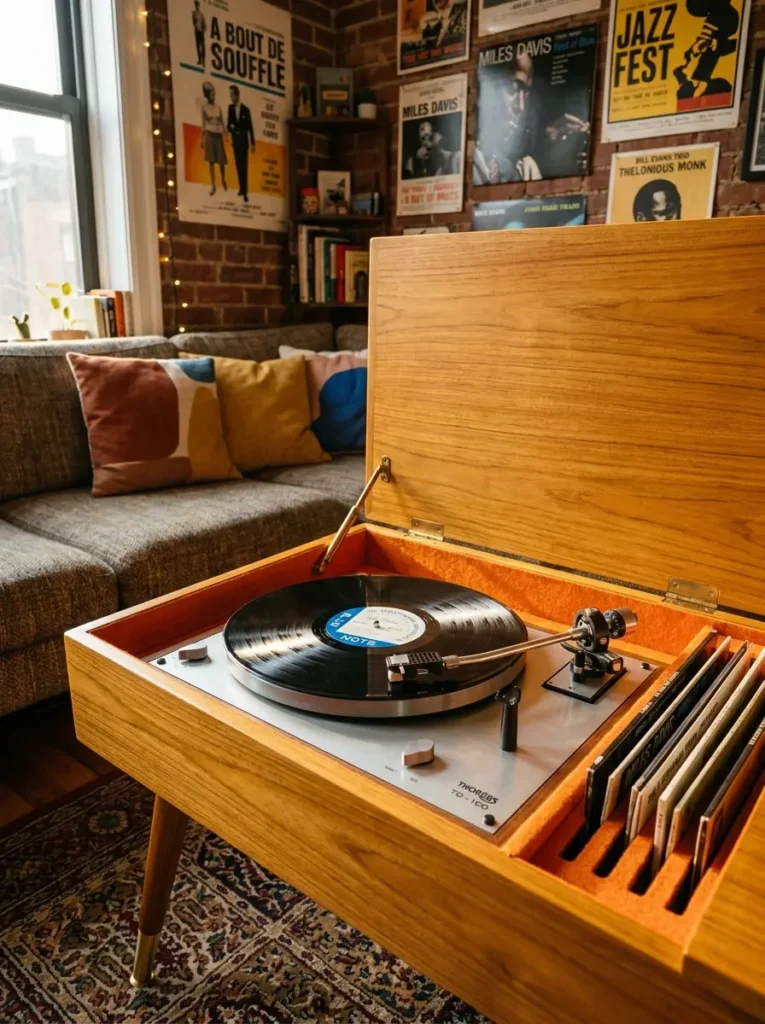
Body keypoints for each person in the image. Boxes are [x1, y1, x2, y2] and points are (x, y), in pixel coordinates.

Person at [227, 85, 255, 203]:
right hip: (236, 142)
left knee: (244, 167)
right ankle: (241, 188)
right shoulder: (230, 108)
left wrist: (253, 143)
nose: (231, 97)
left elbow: (250, 127)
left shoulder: (246, 110)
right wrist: (231, 128)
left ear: (236, 95)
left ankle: (245, 192)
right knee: (238, 166)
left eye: (232, 95)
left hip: (244, 142)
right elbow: (229, 124)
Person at [201, 81, 227, 196]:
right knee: (211, 162)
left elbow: (223, 122)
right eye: (211, 93)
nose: (213, 95)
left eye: (214, 93)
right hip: (210, 134)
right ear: (207, 94)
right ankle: (213, 185)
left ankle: (223, 180)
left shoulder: (218, 107)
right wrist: (202, 139)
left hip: (218, 134)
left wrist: (226, 133)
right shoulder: (204, 107)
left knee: (221, 161)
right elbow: (203, 124)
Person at [192, 0, 206, 67]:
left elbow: (204, 24)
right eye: (195, 5)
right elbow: (193, 22)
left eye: (197, 5)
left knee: (202, 46)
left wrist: (203, 29)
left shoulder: (201, 14)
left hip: (201, 31)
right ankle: (200, 60)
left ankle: (203, 61)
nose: (196, 6)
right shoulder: (194, 13)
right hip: (197, 31)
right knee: (198, 45)